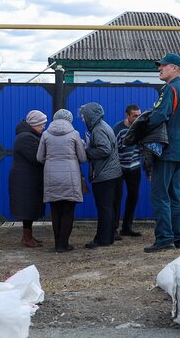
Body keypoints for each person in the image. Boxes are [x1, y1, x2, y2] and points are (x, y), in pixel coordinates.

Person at [144, 52, 180, 253]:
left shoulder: (170, 89)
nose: (159, 69)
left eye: (163, 66)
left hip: (165, 149)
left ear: (175, 68)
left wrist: (143, 123)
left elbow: (159, 116)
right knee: (175, 195)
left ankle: (164, 238)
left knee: (160, 195)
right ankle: (178, 237)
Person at [37, 109, 87, 253]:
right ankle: (63, 244)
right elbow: (83, 157)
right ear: (69, 120)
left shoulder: (46, 134)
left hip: (51, 176)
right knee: (68, 211)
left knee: (55, 211)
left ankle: (57, 243)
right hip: (70, 177)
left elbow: (39, 157)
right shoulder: (74, 134)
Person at [78, 102, 121, 249]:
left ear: (90, 115)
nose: (82, 119)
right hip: (112, 173)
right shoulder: (103, 126)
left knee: (104, 208)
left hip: (104, 175)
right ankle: (108, 238)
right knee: (108, 208)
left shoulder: (98, 129)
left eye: (84, 116)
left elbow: (105, 150)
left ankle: (102, 239)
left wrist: (87, 151)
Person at [9, 110, 47, 248]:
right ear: (34, 124)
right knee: (27, 208)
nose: (43, 127)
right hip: (24, 179)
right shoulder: (25, 137)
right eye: (41, 124)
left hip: (29, 177)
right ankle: (26, 238)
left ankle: (28, 235)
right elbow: (37, 158)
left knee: (30, 207)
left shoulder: (29, 135)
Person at [111, 104, 143, 239]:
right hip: (119, 168)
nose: (137, 118)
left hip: (135, 167)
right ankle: (113, 229)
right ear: (127, 115)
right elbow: (113, 150)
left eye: (139, 115)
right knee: (116, 198)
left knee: (133, 197)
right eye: (135, 116)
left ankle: (127, 227)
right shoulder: (118, 129)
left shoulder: (141, 128)